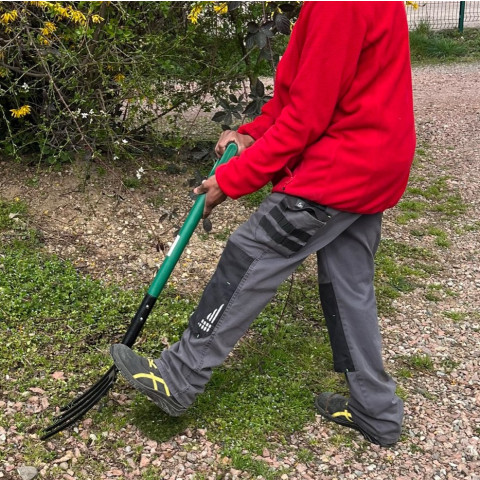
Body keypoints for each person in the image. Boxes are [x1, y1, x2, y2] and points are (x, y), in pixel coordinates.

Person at [111, 1, 415, 447]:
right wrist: (252, 132)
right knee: (350, 288)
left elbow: (306, 117)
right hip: (372, 163)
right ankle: (377, 409)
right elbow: (301, 95)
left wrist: (232, 180)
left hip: (341, 168)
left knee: (250, 254)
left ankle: (180, 375)